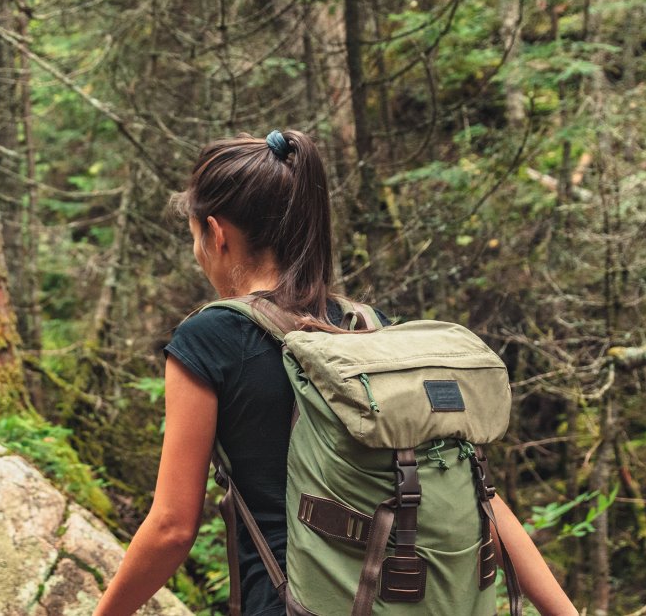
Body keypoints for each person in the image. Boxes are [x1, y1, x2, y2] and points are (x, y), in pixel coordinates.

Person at [94, 131, 576, 616]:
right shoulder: (369, 329)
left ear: (216, 234)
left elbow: (173, 528)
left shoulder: (210, 338)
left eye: (196, 239)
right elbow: (478, 497)